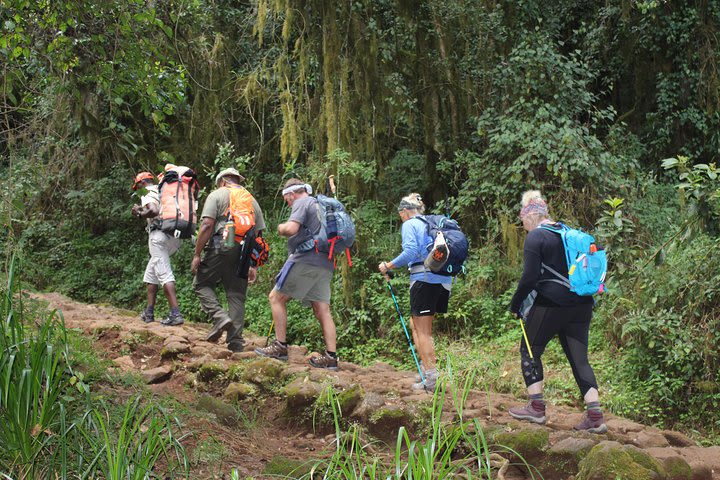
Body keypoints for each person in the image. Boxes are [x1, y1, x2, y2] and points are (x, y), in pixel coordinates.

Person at [508, 190, 607, 433]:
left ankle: (536, 408)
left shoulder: (536, 237)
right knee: (579, 359)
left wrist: (515, 304)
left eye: (523, 222)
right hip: (582, 305)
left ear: (529, 217)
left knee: (529, 350)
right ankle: (595, 416)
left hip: (551, 305)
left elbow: (530, 277)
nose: (523, 227)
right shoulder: (567, 233)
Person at [254, 178, 339, 370]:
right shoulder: (321, 204)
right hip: (326, 261)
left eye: (286, 199)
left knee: (276, 297)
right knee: (322, 309)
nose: (288, 203)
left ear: (292, 194)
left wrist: (280, 227)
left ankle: (280, 347)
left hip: (306, 259)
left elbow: (291, 229)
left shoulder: (302, 201)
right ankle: (331, 357)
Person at [378, 193, 450, 391]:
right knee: (416, 325)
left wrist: (388, 265)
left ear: (405, 211)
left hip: (424, 278)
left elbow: (410, 251)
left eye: (401, 213)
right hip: (442, 278)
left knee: (423, 331)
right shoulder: (429, 223)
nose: (401, 217)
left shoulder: (410, 224)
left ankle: (432, 380)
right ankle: (428, 373)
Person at [191, 168, 266, 353]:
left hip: (220, 246)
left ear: (223, 181)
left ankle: (219, 317)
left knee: (201, 283)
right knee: (236, 294)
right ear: (237, 180)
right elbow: (258, 234)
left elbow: (207, 225)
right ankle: (235, 342)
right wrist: (253, 264)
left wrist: (197, 254)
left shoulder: (217, 195)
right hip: (244, 252)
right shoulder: (251, 200)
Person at [131, 171, 184, 326]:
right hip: (173, 236)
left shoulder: (148, 192)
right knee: (152, 273)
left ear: (141, 183)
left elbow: (153, 210)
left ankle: (175, 314)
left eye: (138, 186)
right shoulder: (163, 190)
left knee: (164, 273)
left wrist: (139, 213)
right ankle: (149, 312)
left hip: (159, 236)